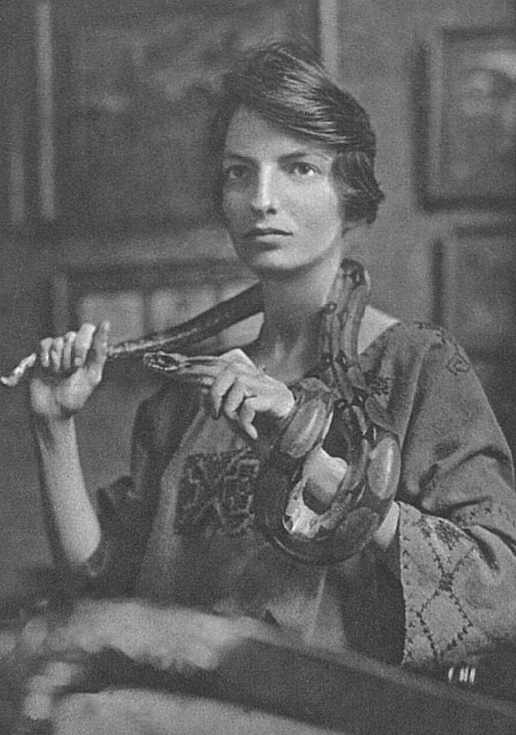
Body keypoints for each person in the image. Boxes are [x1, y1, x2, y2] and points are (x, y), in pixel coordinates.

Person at [28, 40, 516, 678]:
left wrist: (308, 456)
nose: (262, 198)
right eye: (239, 171)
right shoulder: (188, 394)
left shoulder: (416, 366)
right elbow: (104, 584)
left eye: (300, 168)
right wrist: (52, 427)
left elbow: (499, 586)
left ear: (350, 194)